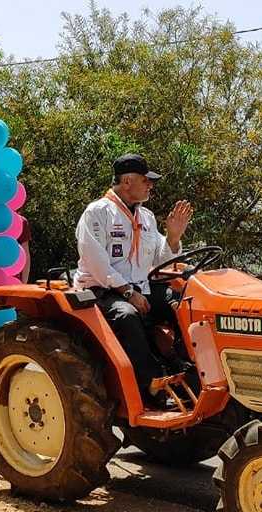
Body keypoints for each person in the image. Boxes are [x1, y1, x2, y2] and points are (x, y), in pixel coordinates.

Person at [73, 154, 194, 403]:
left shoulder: (146, 217)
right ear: (127, 181)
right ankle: (151, 387)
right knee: (126, 315)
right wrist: (128, 292)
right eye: (146, 180)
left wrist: (173, 238)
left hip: (141, 288)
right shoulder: (97, 213)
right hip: (102, 289)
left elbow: (160, 260)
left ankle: (187, 368)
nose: (150, 185)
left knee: (185, 302)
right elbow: (97, 264)